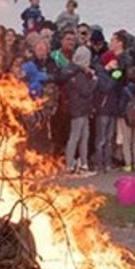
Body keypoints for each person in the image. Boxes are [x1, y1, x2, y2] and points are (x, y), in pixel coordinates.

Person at [56, 46, 96, 175]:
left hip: (81, 108)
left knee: (84, 136)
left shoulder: (72, 70)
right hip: (79, 109)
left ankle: (83, 164)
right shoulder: (78, 73)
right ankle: (70, 164)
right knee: (76, 137)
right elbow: (85, 91)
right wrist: (94, 81)